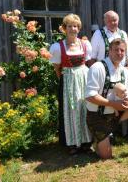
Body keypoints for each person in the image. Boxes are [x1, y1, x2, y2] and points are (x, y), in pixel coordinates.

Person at [85, 38, 128, 159]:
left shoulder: (124, 71)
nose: (120, 53)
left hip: (117, 115)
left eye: (122, 50)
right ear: (109, 51)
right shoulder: (97, 67)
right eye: (116, 50)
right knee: (106, 156)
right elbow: (90, 96)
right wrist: (113, 104)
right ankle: (97, 140)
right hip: (98, 116)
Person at [49, 14, 92, 154]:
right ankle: (73, 143)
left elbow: (87, 63)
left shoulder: (85, 44)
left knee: (85, 108)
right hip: (68, 80)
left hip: (84, 78)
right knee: (71, 110)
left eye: (75, 26)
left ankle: (86, 141)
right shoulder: (58, 47)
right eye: (69, 26)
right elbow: (57, 68)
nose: (73, 29)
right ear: (64, 28)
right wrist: (66, 80)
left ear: (78, 28)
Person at [90, 10, 128, 82]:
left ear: (118, 20)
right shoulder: (98, 34)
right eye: (109, 21)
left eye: (114, 20)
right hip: (103, 74)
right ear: (105, 22)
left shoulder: (123, 34)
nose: (112, 23)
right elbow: (92, 57)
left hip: (121, 73)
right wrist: (93, 75)